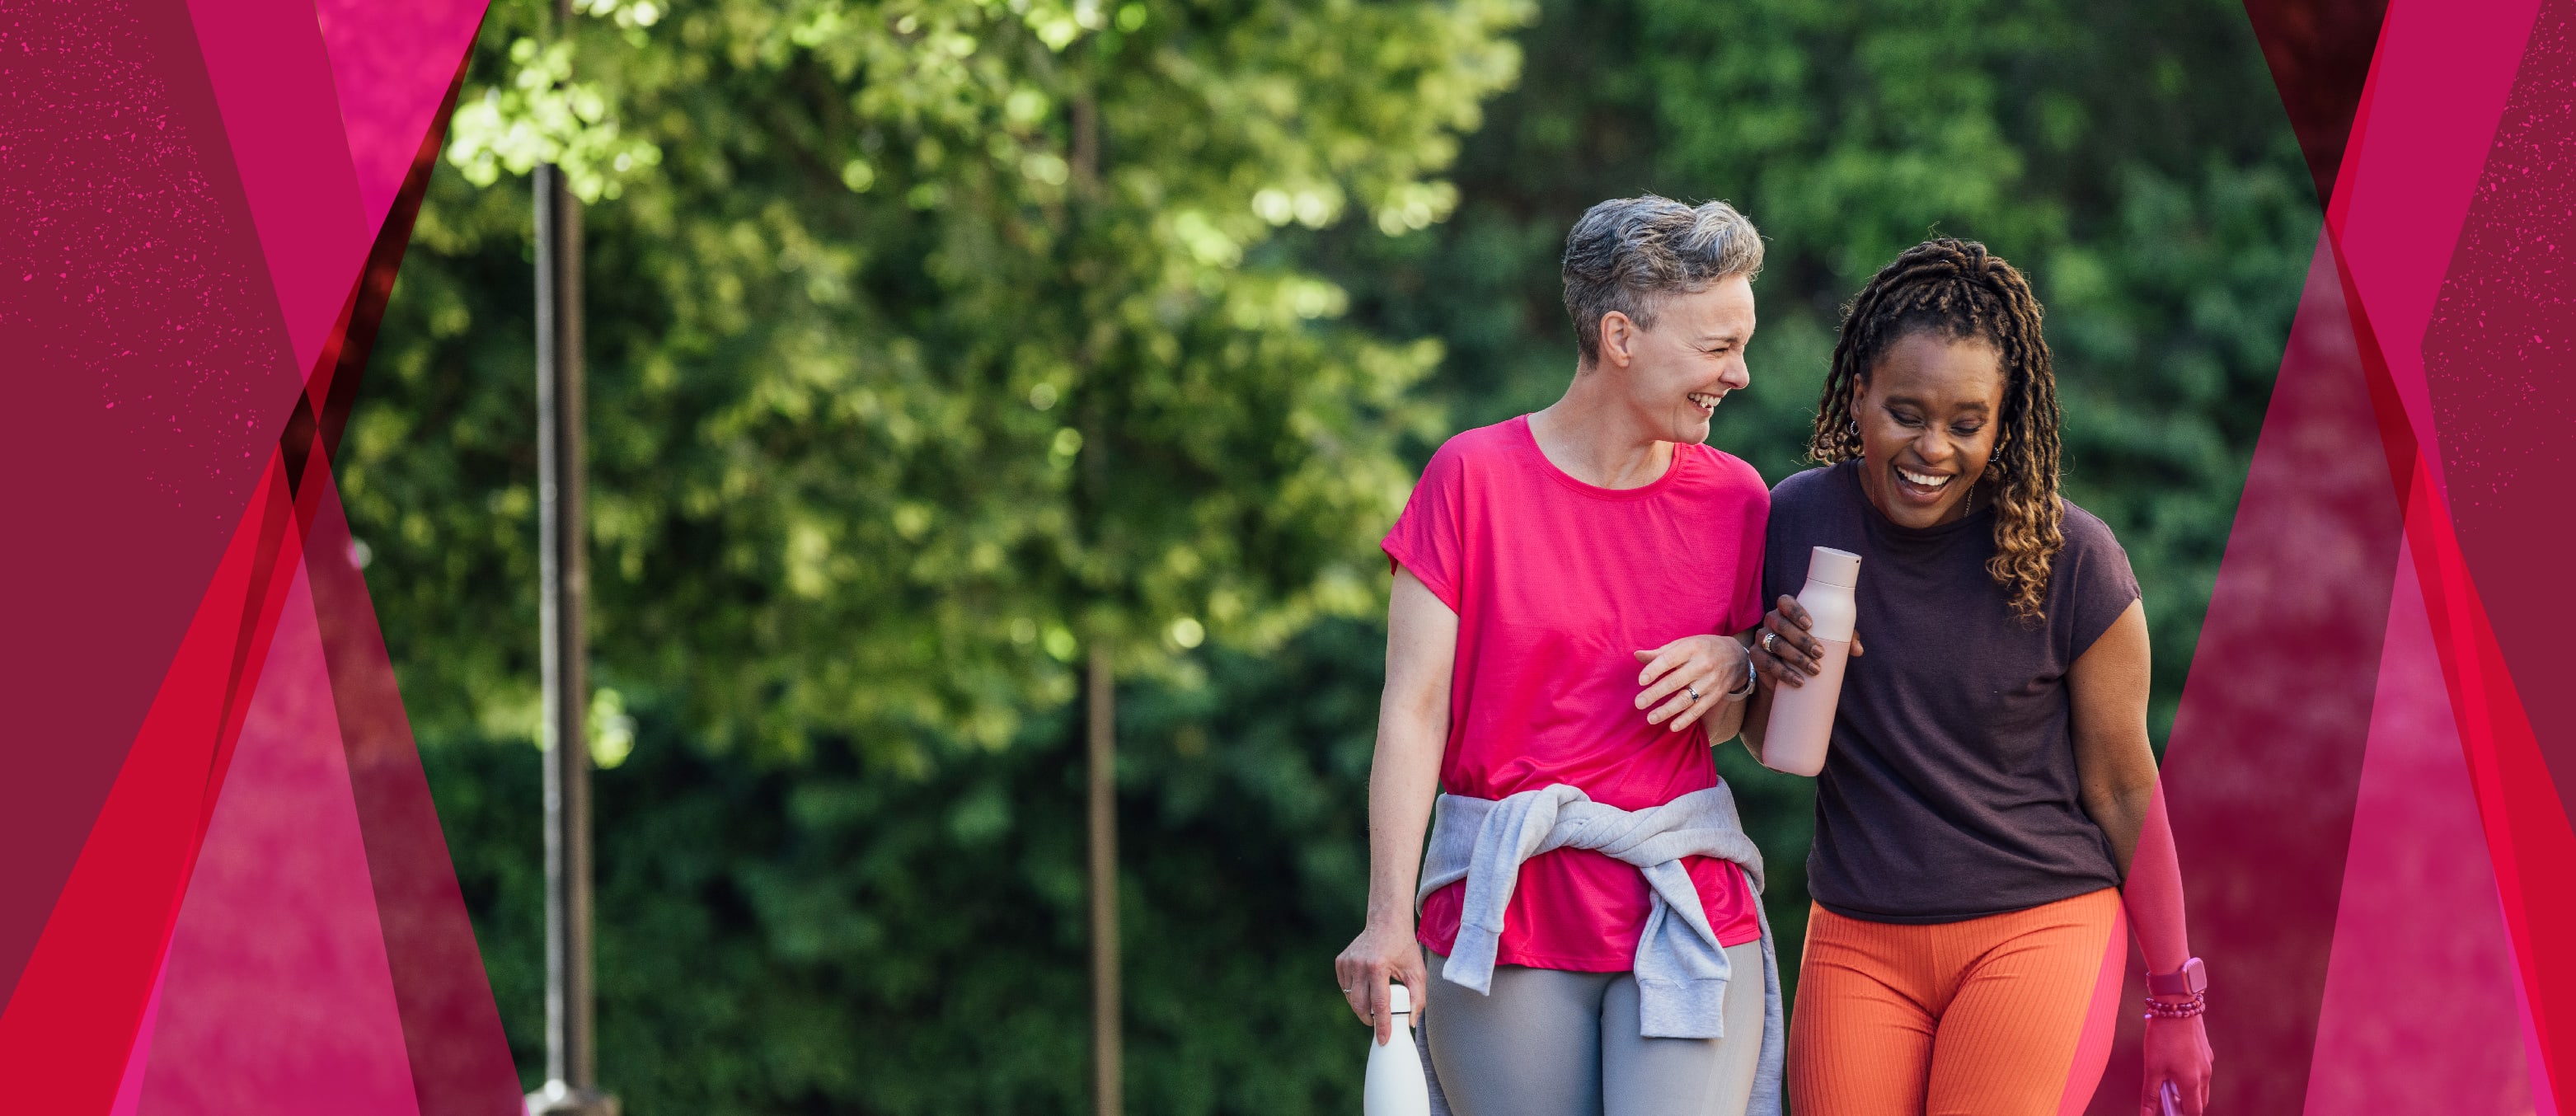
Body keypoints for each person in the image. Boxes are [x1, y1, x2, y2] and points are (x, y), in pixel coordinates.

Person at [1332, 195, 1787, 1116]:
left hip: (1682, 901)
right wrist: (1387, 915)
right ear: (1619, 336)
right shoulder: (1470, 477)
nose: (1738, 375)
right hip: (1506, 906)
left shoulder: (1737, 498)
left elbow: (1738, 727)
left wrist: (1734, 663)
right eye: (1714, 348)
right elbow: (1411, 710)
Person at [1744, 239, 2215, 1115]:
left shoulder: (2075, 559)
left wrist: (2173, 995)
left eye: (1965, 422)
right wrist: (1765, 671)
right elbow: (1763, 741)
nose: (1931, 447)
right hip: (1856, 931)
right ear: (1858, 397)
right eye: (1904, 412)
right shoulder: (1794, 517)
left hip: (2037, 923)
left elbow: (2120, 787)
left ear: (2002, 422)